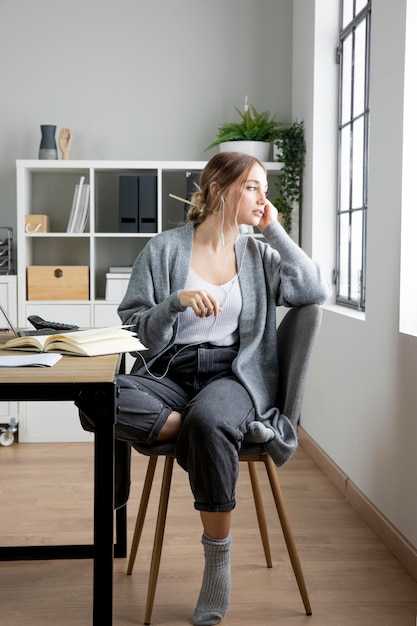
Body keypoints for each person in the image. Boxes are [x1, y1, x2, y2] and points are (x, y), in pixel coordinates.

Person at [81, 151, 329, 626]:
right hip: (168, 374)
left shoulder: (259, 254)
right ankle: (195, 429)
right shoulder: (164, 249)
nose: (263, 197)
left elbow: (313, 291)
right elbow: (133, 329)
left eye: (264, 187)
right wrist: (174, 303)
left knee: (213, 417)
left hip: (233, 375)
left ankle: (217, 562)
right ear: (219, 190)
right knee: (97, 393)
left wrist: (274, 228)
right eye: (252, 187)